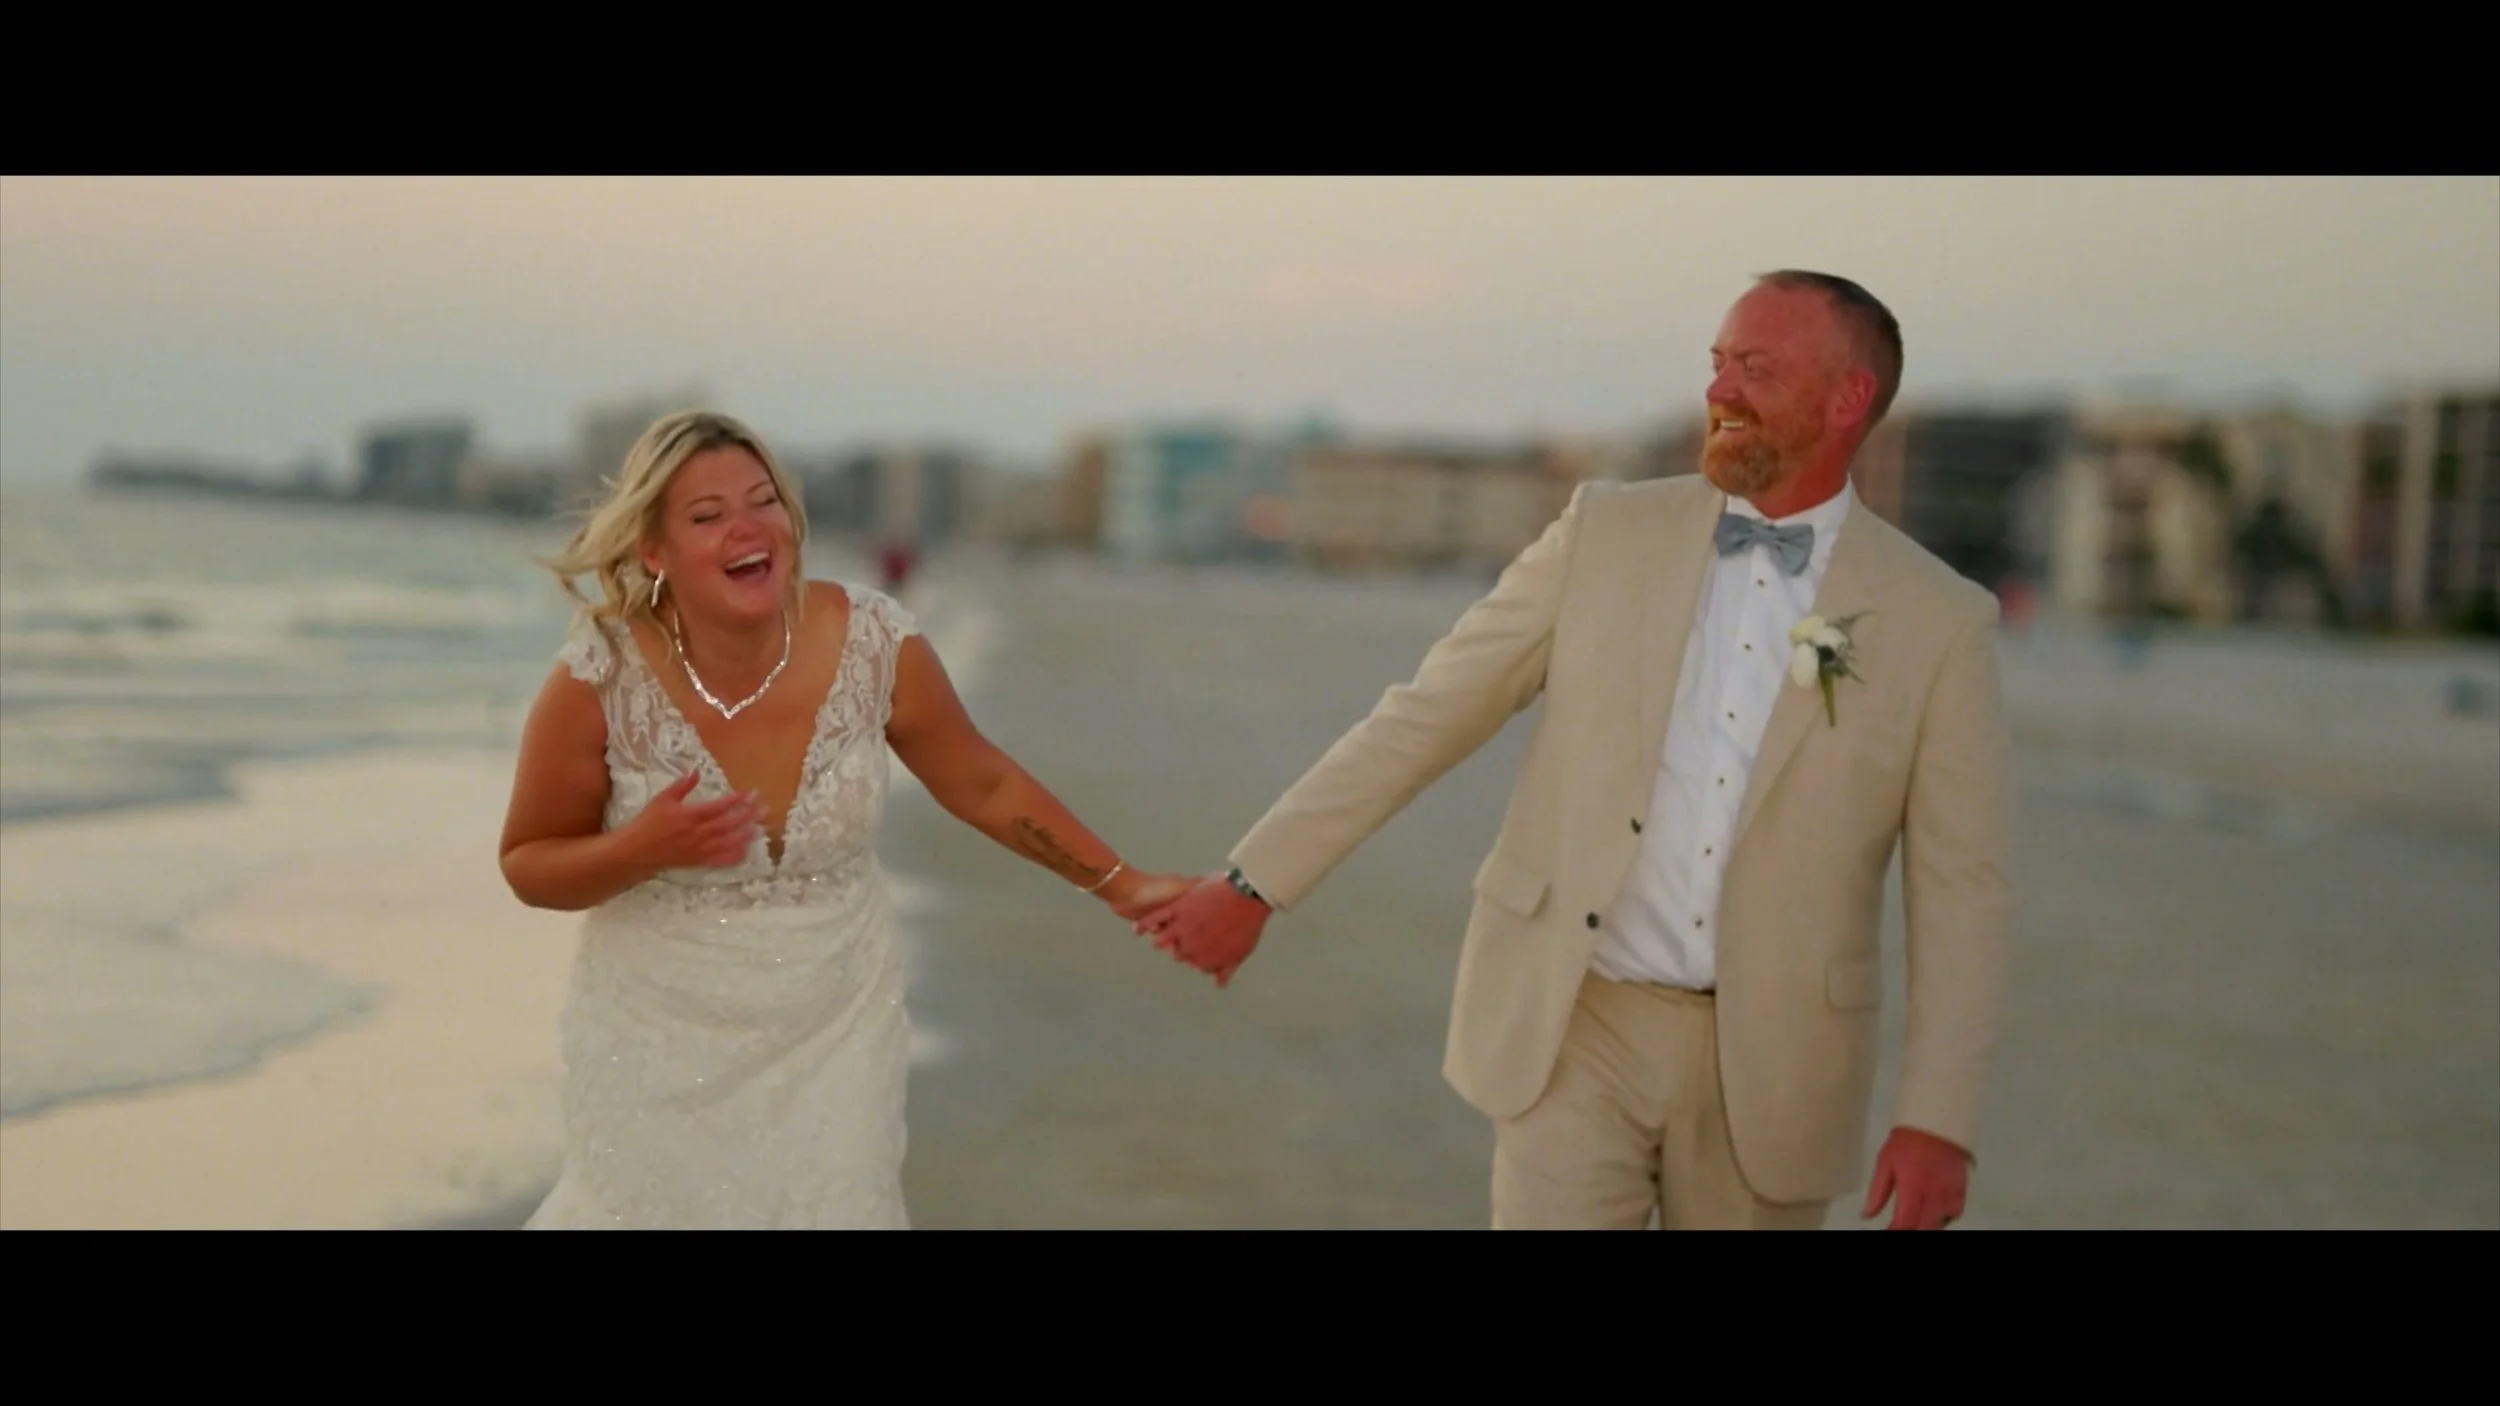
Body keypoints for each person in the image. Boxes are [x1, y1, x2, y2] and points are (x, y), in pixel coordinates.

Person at [1136, 272, 2013, 1230]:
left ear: (1848, 399)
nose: (1719, 391)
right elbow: (1426, 716)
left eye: (1755, 368)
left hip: (1782, 1061)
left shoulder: (1939, 619)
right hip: (1574, 1019)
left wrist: (1940, 1121)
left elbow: (1961, 888)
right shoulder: (1604, 531)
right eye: (1717, 364)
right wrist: (1254, 881)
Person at [497, 410, 1188, 1228]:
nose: (747, 529)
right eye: (707, 517)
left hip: (836, 1027)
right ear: (655, 551)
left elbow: (983, 784)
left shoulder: (872, 644)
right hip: (655, 1040)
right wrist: (641, 849)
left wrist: (1122, 884)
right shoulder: (600, 675)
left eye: (764, 502)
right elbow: (530, 862)